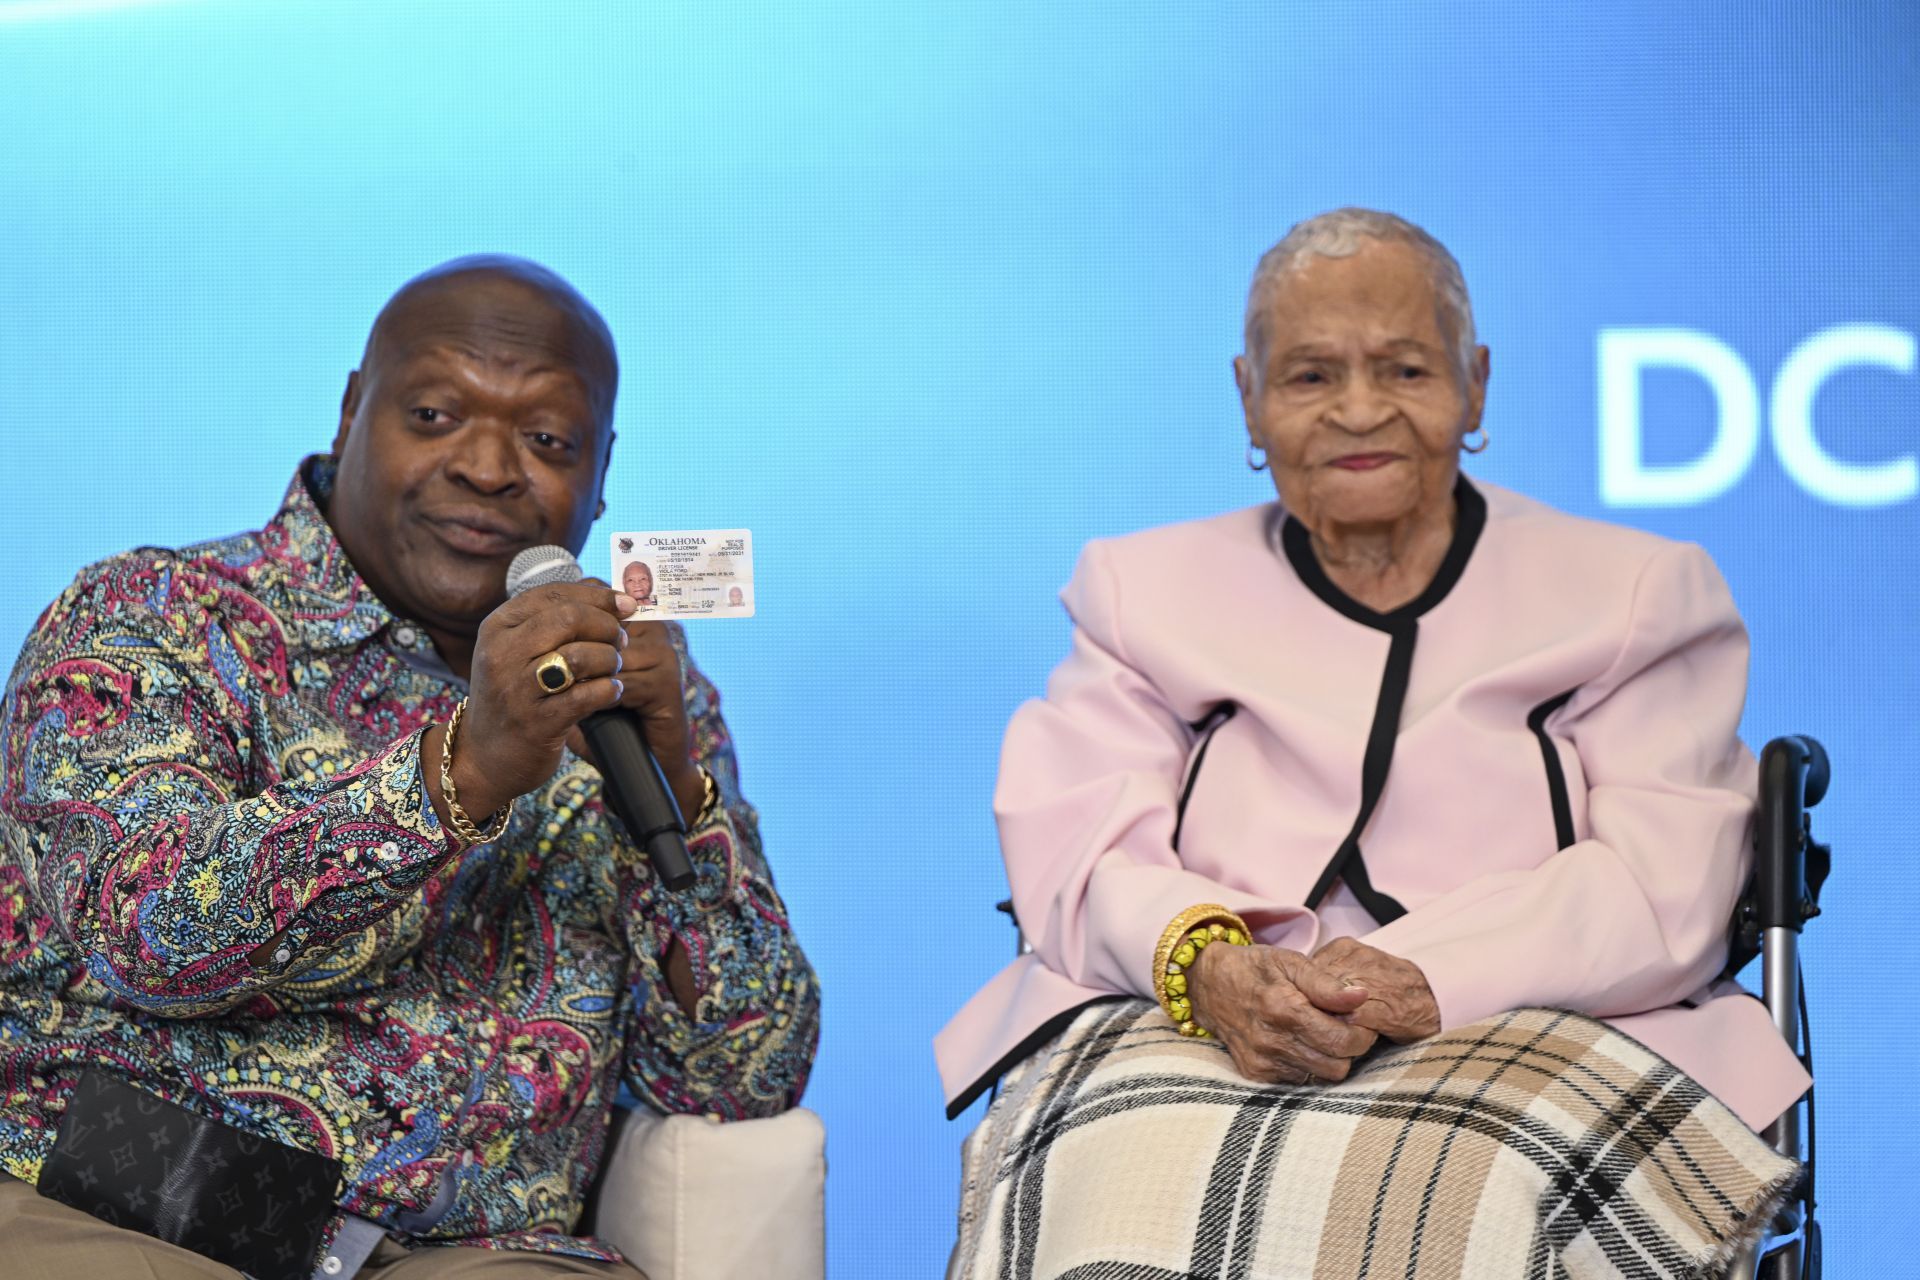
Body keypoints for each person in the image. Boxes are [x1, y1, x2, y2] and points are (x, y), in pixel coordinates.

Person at [938, 210, 1807, 1276]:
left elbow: (1664, 884)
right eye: (1309, 377)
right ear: (1249, 401)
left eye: (1404, 367)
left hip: (1539, 1007)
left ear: (1475, 385)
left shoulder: (1632, 591)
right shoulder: (1143, 589)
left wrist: (1420, 973)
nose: (1359, 410)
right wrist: (1208, 965)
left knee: (1469, 1187)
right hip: (1207, 1012)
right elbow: (1078, 845)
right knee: (1106, 1173)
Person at [0, 257, 819, 1277]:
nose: (486, 466)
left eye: (548, 440)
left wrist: (681, 801)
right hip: (144, 1202)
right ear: (352, 412)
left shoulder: (631, 686)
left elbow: (738, 1075)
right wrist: (463, 771)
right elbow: (147, 931)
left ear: (602, 475)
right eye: (434, 414)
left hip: (467, 1253)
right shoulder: (151, 617)